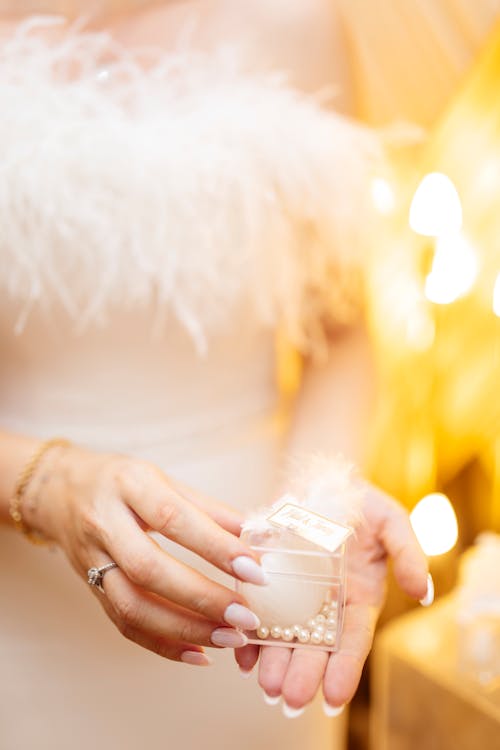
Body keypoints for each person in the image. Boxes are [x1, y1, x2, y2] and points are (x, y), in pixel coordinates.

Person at [6, 0, 496, 748]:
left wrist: (318, 499)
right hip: (23, 627)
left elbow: (342, 333)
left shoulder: (294, 24)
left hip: (264, 617)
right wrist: (48, 484)